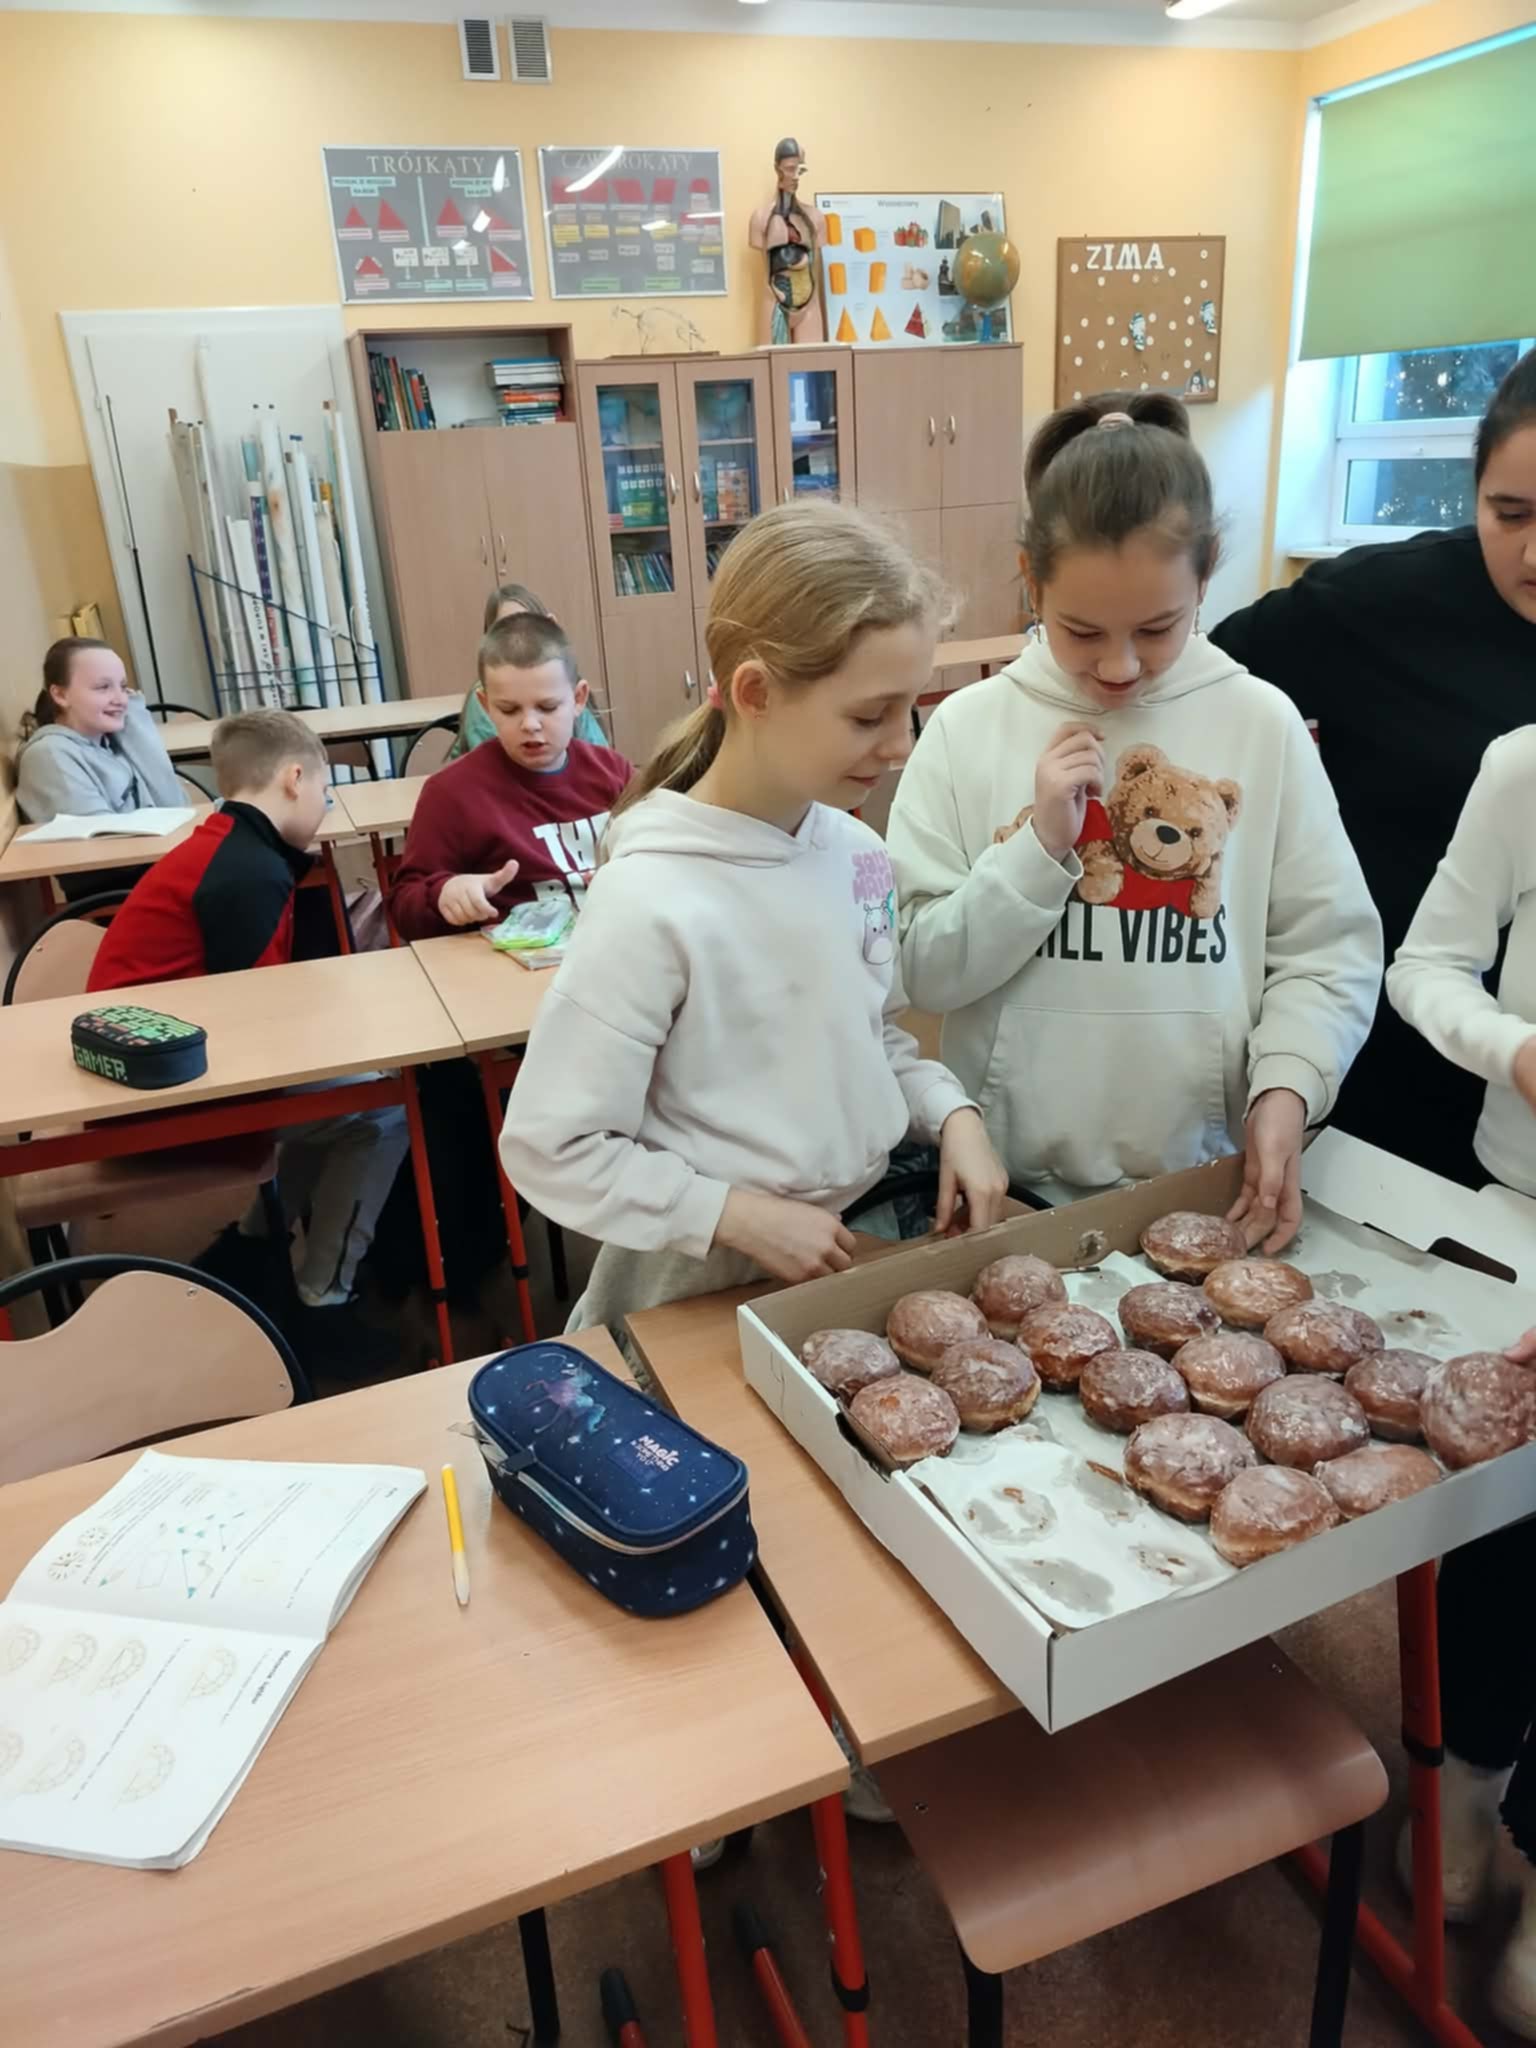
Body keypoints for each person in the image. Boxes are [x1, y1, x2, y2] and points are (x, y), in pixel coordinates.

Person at [498, 499, 1008, 1333]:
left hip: (842, 1244)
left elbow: (871, 1037)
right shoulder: (651, 895)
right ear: (756, 692)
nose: (901, 745)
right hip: (689, 1280)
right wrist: (730, 1215)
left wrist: (950, 1112)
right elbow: (553, 1145)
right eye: (869, 716)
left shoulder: (856, 855)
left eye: (909, 710)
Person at [887, 393, 1382, 1250]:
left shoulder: (1261, 724)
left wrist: (1288, 1083)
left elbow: (1327, 948)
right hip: (1011, 1187)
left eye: (1157, 628)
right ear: (1031, 578)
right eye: (1081, 631)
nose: (1118, 667)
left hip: (1203, 1179)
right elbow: (920, 968)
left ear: (1207, 574)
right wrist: (1039, 852)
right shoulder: (967, 730)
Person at [1210, 343, 1536, 1184]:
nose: (1535, 555)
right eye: (1510, 514)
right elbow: (1201, 686)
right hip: (1383, 1068)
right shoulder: (1379, 604)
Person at [87, 710, 407, 1368]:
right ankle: (323, 1301)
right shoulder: (250, 872)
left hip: (145, 1070)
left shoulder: (229, 845)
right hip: (160, 1094)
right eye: (325, 790)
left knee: (347, 1090)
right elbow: (260, 1036)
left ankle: (254, 1247)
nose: (325, 806)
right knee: (382, 1109)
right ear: (294, 779)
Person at [1384, 730, 1536, 2037]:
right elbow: (1424, 964)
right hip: (1522, 1209)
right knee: (1502, 1517)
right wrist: (1513, 1046)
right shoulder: (1522, 768)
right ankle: (1471, 1769)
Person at [389, 612, 633, 941]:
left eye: (547, 707)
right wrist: (443, 894)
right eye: (509, 710)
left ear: (578, 699)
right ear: (486, 705)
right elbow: (404, 906)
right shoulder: (450, 793)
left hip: (613, 947)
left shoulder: (614, 772)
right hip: (513, 963)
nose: (530, 724)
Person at [16, 638, 182, 823]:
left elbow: (175, 804)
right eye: (103, 687)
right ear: (61, 695)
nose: (121, 700)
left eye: (123, 687)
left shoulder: (109, 741)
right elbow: (103, 835)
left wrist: (134, 720)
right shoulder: (49, 756)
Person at [448, 583, 609, 761]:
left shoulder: (566, 684)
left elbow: (599, 757)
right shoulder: (486, 695)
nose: (520, 640)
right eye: (509, 710)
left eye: (549, 706)